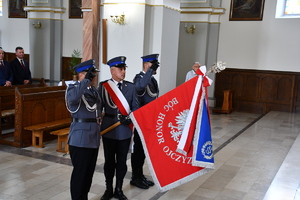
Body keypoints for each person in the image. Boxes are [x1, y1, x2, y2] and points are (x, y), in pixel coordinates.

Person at [98, 56, 138, 200]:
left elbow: (136, 107)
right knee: (109, 162)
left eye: (124, 69)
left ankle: (119, 189)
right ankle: (108, 189)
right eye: (120, 69)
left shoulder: (131, 87)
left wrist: (131, 117)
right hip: (109, 130)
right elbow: (98, 109)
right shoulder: (104, 87)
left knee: (121, 162)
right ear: (112, 71)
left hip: (125, 131)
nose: (123, 72)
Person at [66, 59, 102, 200]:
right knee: (80, 175)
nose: (94, 77)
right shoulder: (73, 88)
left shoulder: (93, 90)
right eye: (91, 74)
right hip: (80, 140)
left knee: (88, 174)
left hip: (93, 138)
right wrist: (85, 81)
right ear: (82, 74)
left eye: (93, 74)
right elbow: (73, 99)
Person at [130, 54, 160, 189]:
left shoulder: (152, 80)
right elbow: (139, 88)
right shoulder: (139, 78)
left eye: (156, 64)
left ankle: (140, 175)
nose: (155, 67)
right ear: (145, 65)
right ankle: (135, 177)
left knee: (143, 150)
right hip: (141, 121)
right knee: (138, 150)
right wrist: (149, 71)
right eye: (152, 64)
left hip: (150, 120)